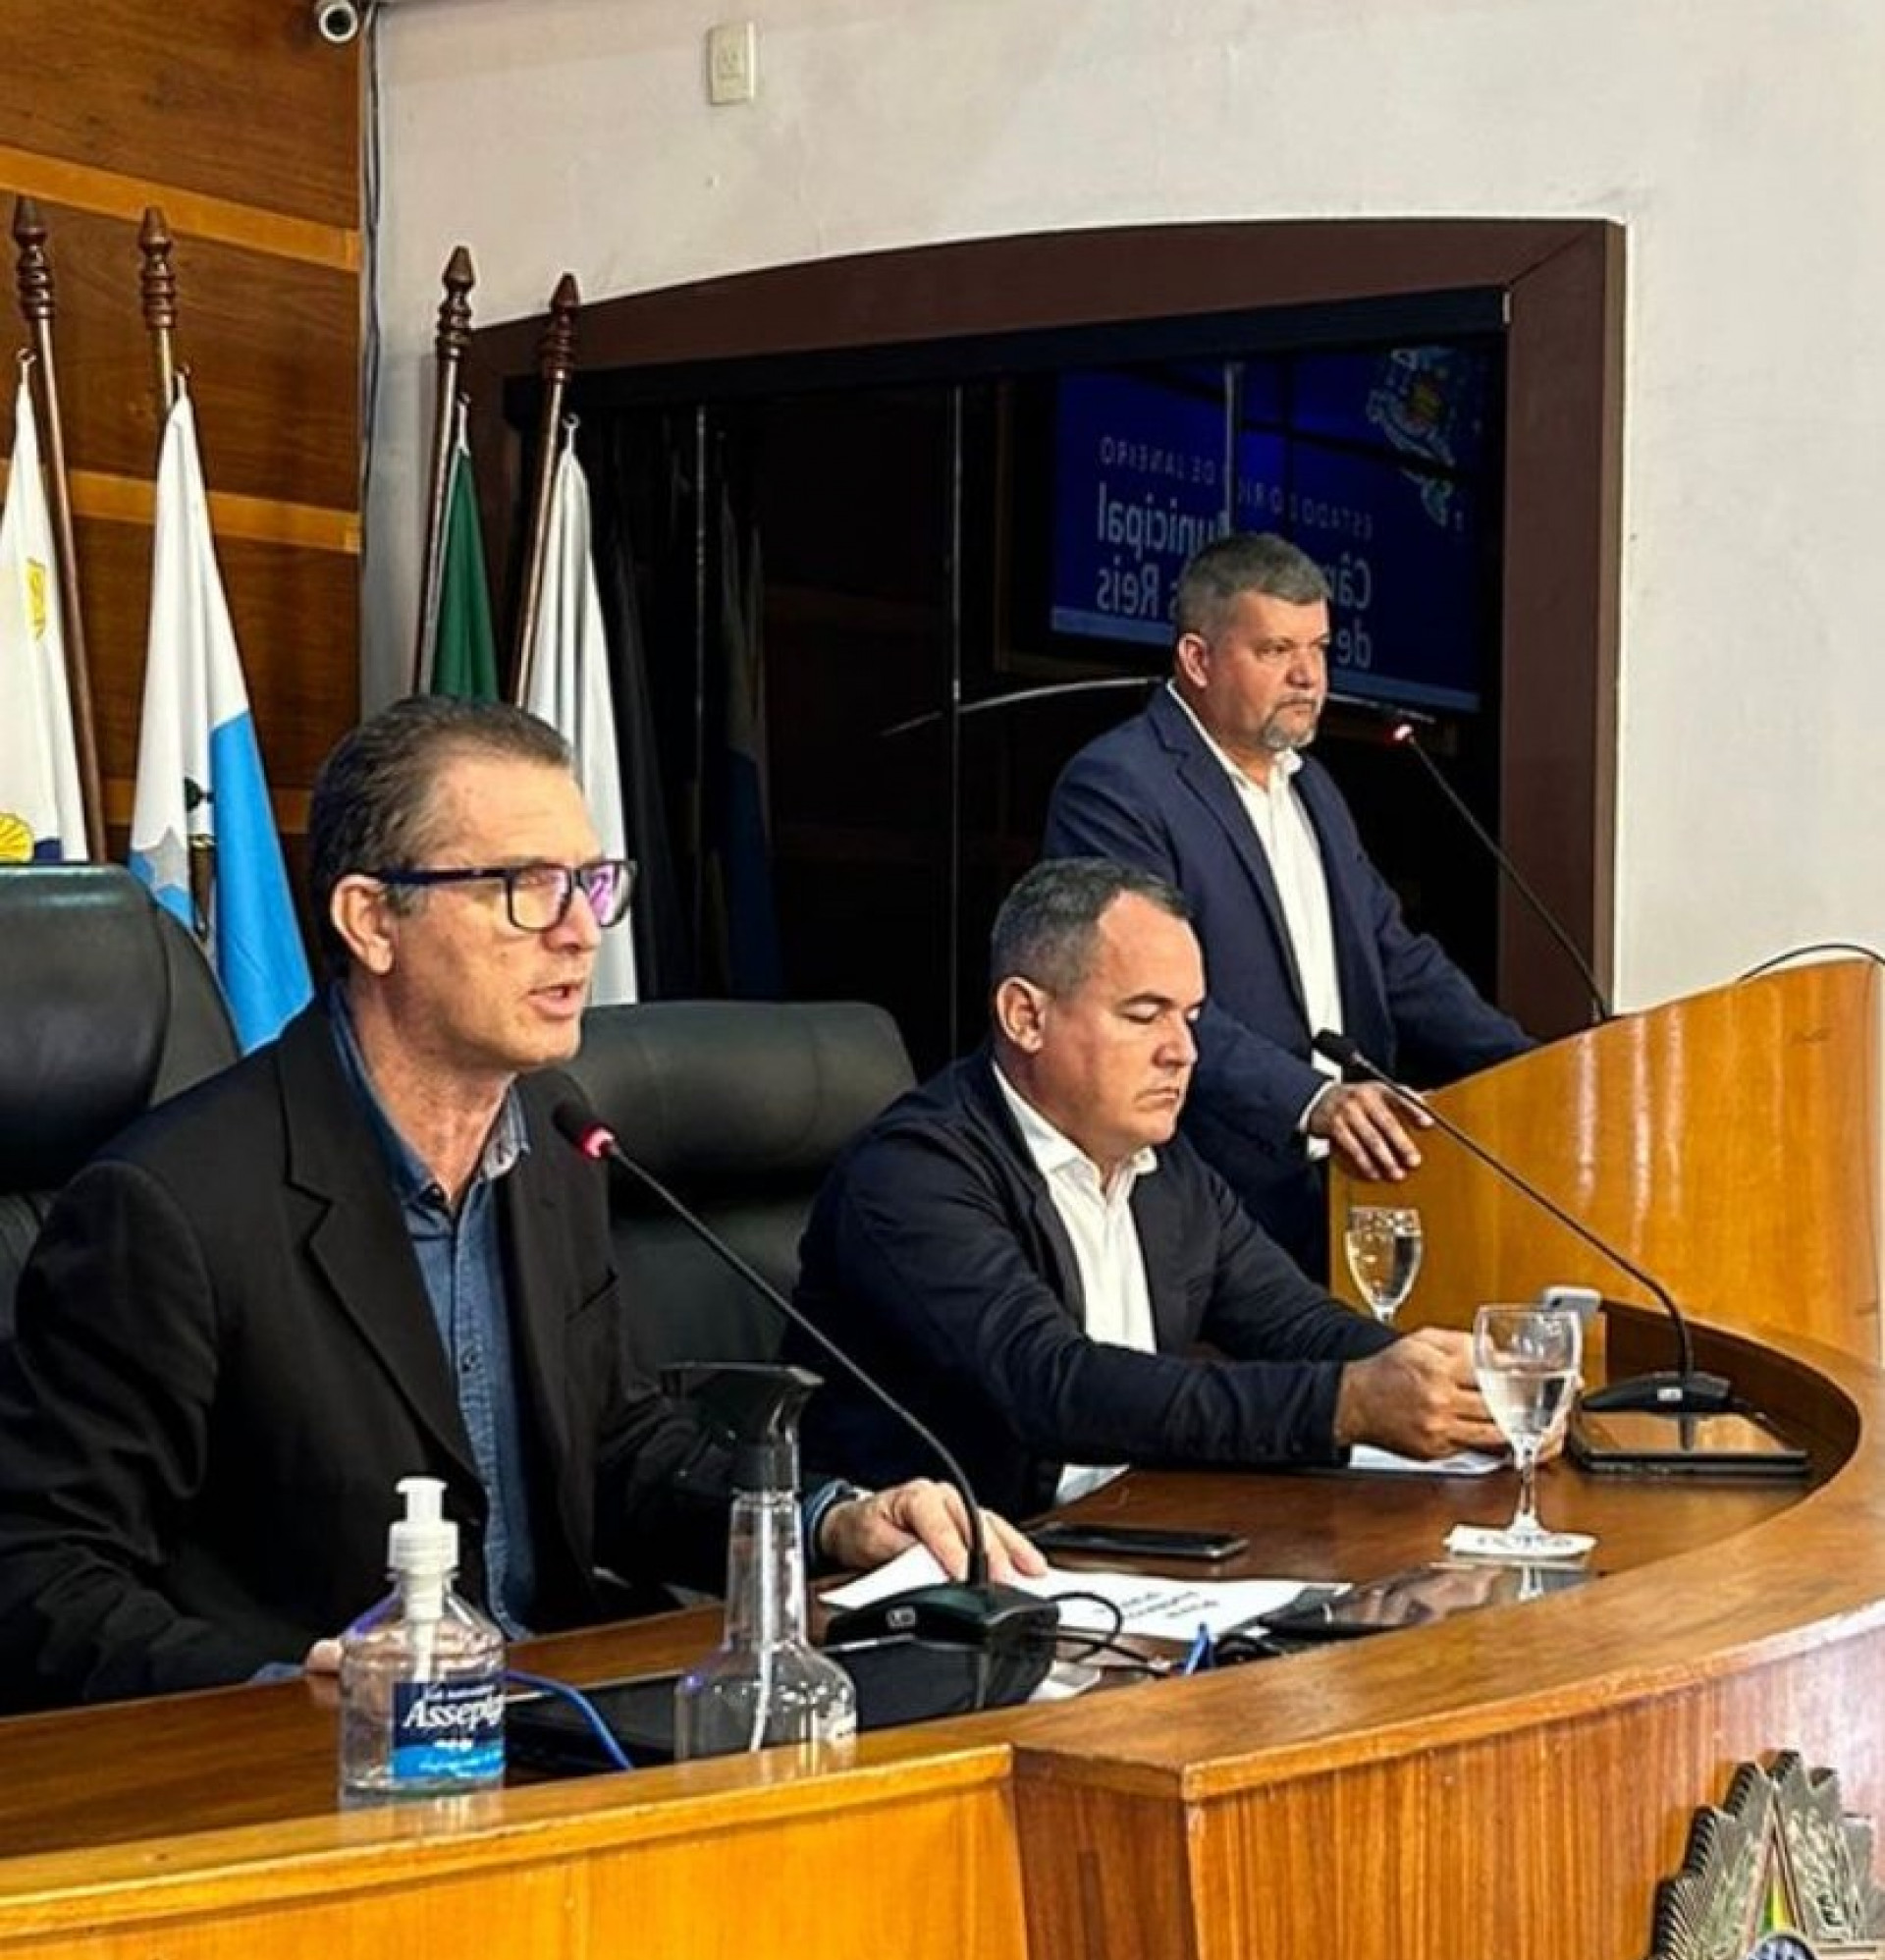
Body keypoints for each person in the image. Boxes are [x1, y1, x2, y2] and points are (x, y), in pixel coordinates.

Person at [0, 698, 1038, 1711]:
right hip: (319, 1780)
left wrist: (827, 1520)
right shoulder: (171, 1208)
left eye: (590, 881)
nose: (580, 932)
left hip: (556, 1720)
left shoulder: (553, 1139)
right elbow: (43, 1580)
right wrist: (288, 1695)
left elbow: (615, 1452)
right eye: (526, 887)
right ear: (372, 920)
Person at [794, 858, 1505, 1515]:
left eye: (1190, 1017)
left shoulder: (1167, 1169)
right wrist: (1346, 1405)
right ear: (1025, 1016)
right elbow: (1052, 1385)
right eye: (1144, 1015)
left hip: (1134, 1541)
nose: (1183, 1050)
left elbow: (1297, 1325)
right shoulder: (913, 1173)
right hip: (950, 1587)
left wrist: (1454, 1381)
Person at [1042, 531, 1532, 1275]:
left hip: (1343, 1189)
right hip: (1207, 1193)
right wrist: (1311, 1101)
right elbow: (1141, 1001)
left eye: (1320, 648)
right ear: (1198, 660)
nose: (1308, 676)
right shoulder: (1119, 787)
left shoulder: (1313, 788)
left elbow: (1395, 960)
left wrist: (1534, 1068)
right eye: (1275, 651)